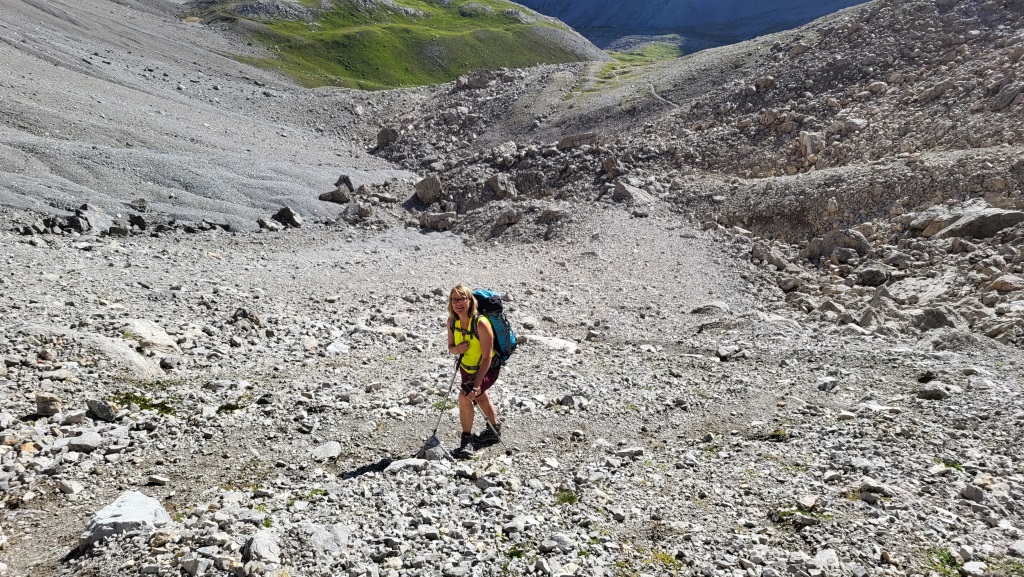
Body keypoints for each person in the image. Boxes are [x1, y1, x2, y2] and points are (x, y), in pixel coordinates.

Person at [447, 284, 502, 456]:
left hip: (487, 369)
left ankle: (466, 442)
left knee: (465, 396)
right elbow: (451, 347)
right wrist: (457, 349)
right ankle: (494, 431)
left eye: (462, 299)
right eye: (454, 299)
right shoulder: (452, 322)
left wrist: (477, 384)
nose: (458, 303)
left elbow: (487, 358)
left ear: (470, 301)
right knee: (479, 396)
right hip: (466, 368)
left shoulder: (481, 323)